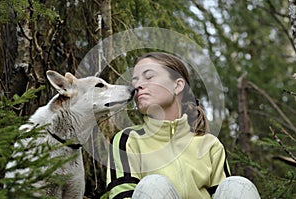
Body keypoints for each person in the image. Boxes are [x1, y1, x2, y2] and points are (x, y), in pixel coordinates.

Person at [106, 52, 260, 199]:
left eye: (149, 77)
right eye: (135, 81)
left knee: (238, 185)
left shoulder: (210, 145)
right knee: (153, 184)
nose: (137, 86)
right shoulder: (127, 140)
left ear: (178, 86)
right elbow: (122, 195)